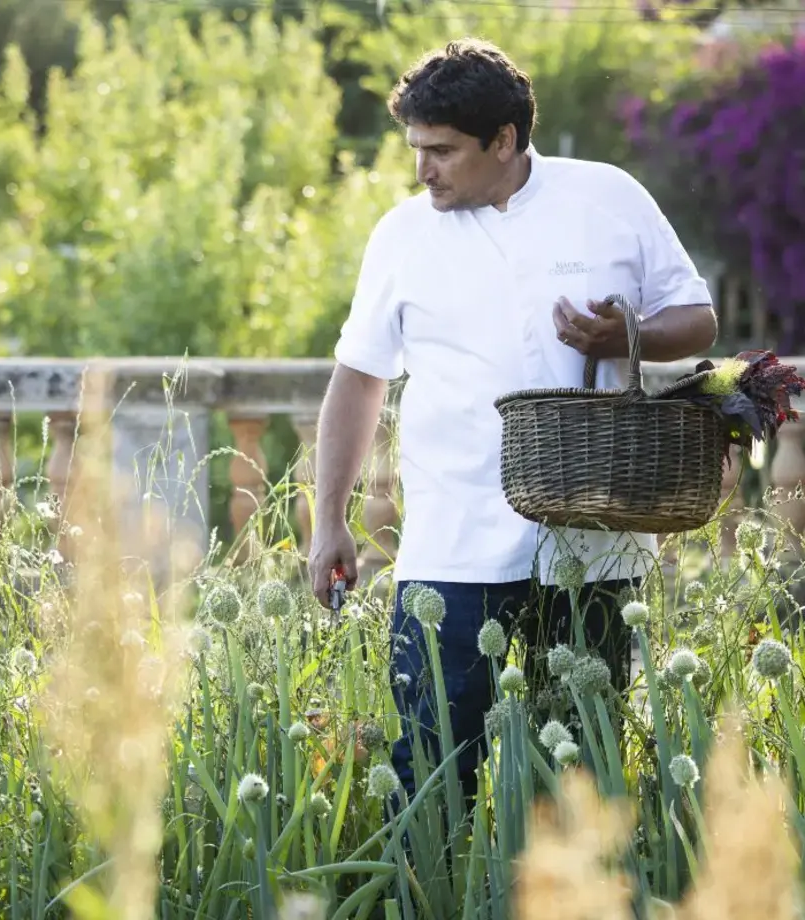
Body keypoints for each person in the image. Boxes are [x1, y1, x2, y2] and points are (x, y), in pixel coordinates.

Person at [307, 38, 717, 800]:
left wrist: (622, 335)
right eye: (416, 149)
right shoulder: (402, 233)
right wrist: (328, 518)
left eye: (442, 151)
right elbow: (357, 378)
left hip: (594, 545)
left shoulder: (608, 197)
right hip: (451, 550)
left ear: (505, 141)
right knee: (430, 779)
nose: (423, 169)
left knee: (576, 784)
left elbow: (698, 320)